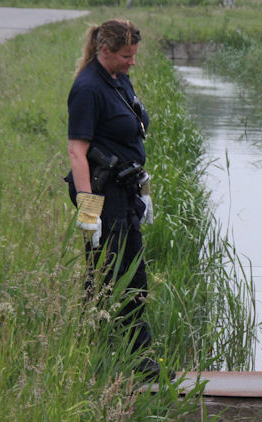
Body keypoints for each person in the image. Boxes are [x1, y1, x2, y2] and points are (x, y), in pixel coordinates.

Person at [66, 19, 162, 378]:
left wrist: (144, 189)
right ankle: (139, 363)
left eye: (134, 55)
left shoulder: (117, 79)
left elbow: (127, 136)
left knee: (112, 276)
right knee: (122, 277)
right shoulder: (88, 89)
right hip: (104, 197)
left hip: (126, 191)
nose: (132, 62)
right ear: (104, 51)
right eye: (126, 56)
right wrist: (89, 211)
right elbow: (78, 152)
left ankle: (96, 351)